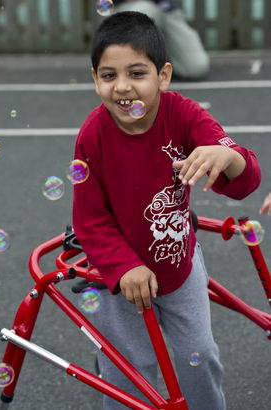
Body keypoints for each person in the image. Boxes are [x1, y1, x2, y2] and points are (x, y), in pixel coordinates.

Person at [72, 11, 261, 410]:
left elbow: (247, 180)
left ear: (164, 75)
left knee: (201, 357)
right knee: (131, 369)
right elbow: (90, 219)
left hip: (179, 266)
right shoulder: (93, 133)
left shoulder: (185, 115)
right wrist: (124, 267)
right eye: (108, 76)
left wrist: (226, 155)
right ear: (95, 79)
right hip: (119, 278)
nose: (122, 87)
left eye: (137, 73)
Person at [113, 0, 210, 79]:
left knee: (196, 68)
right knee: (142, 12)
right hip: (132, 6)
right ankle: (132, 69)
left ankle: (162, 62)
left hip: (168, 10)